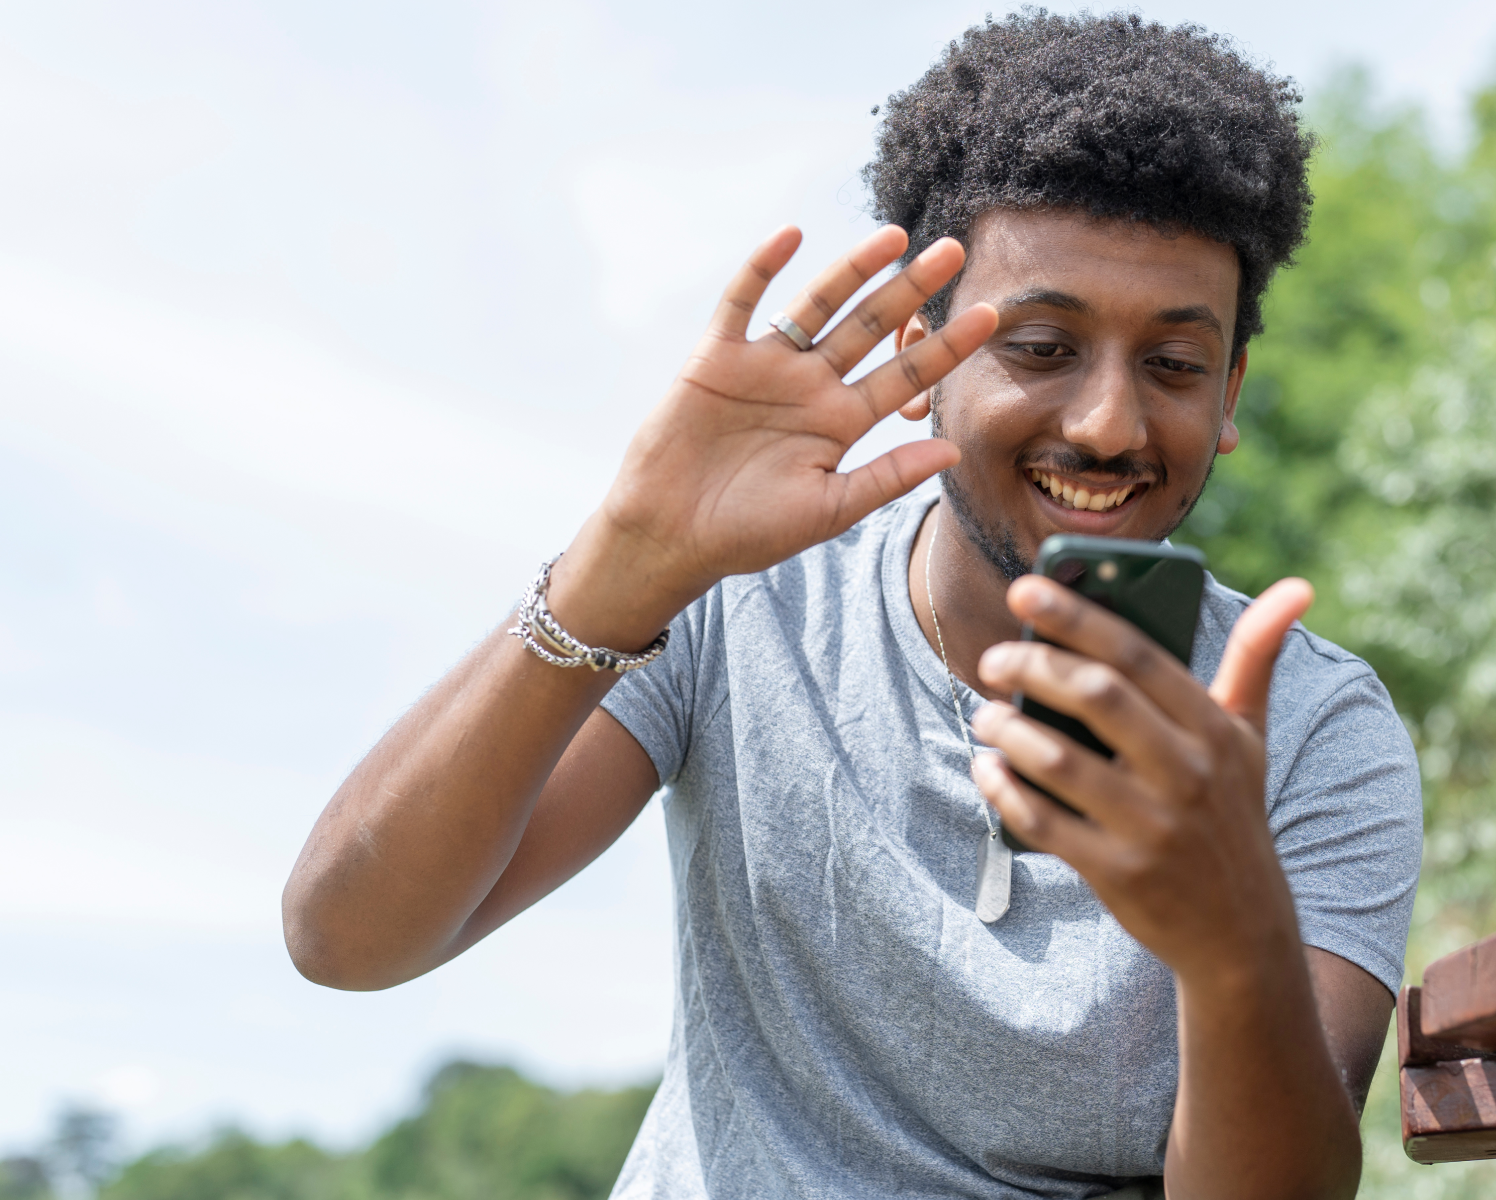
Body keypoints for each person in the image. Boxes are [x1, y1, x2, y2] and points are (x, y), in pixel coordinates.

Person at [283, 11, 1422, 1199]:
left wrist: (1230, 939)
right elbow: (347, 939)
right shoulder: (739, 601)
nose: (1107, 424)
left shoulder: (1315, 733)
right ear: (924, 356)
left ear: (1229, 390)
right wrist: (615, 562)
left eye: (1175, 365)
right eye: (1040, 347)